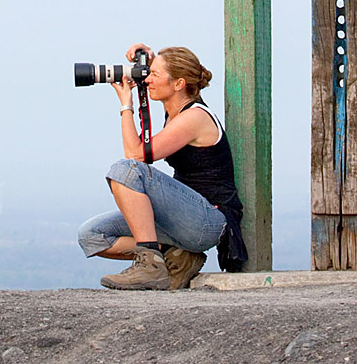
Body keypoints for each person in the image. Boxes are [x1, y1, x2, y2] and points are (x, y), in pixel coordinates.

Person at [77, 44, 247, 290]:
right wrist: (147, 56)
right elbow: (170, 69)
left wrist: (126, 104)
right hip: (182, 218)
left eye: (154, 75)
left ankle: (150, 266)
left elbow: (136, 155)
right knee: (91, 236)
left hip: (209, 220)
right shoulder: (175, 110)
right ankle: (174, 256)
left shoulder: (195, 117)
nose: (148, 80)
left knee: (125, 170)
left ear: (179, 84)